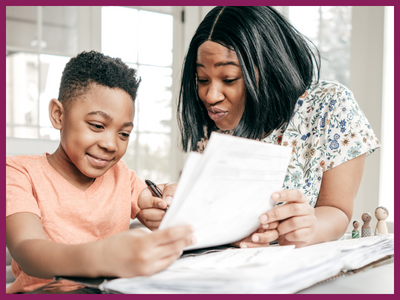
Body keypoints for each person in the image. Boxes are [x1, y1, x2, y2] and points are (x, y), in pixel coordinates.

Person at [174, 6, 380, 248]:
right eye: (202, 80)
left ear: (269, 68)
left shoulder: (330, 104)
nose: (210, 96)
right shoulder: (216, 123)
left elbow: (337, 211)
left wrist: (309, 227)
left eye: (228, 78)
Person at [6, 51, 195, 294]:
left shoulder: (121, 175)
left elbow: (147, 200)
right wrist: (101, 257)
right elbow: (27, 249)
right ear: (58, 115)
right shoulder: (19, 172)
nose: (111, 144)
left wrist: (165, 203)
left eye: (124, 134)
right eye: (97, 126)